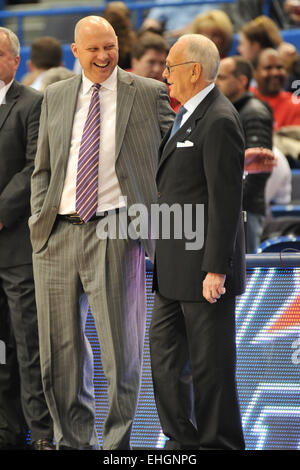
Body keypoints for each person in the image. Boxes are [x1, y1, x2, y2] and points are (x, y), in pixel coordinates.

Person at [29, 16, 174, 450]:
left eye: (109, 46)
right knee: (60, 356)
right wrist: (39, 220)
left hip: (116, 228)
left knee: (121, 356)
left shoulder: (148, 93)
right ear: (75, 51)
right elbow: (43, 168)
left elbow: (179, 158)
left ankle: (117, 447)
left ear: (119, 45)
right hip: (55, 234)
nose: (103, 56)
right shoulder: (54, 96)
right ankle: (74, 442)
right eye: (92, 49)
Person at [149, 34, 245, 450]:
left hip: (205, 273)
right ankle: (181, 444)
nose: (164, 74)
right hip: (172, 271)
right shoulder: (186, 115)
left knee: (212, 370)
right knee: (165, 362)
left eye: (170, 66)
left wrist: (216, 268)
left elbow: (226, 203)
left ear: (193, 70)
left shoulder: (220, 118)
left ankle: (219, 444)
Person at [0, 27, 54, 450]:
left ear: (15, 61)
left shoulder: (33, 103)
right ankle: (7, 432)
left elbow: (35, 168)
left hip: (18, 246)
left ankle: (42, 436)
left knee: (27, 348)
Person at [216, 55, 273, 253]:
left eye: (222, 77)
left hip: (245, 211)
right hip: (235, 209)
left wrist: (233, 203)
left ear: (241, 81)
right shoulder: (232, 110)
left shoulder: (254, 111)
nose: (215, 82)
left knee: (245, 273)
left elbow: (260, 169)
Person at [129, 31, 179, 112]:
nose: (157, 69)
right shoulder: (116, 85)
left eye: (162, 63)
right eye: (151, 62)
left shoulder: (170, 93)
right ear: (134, 62)